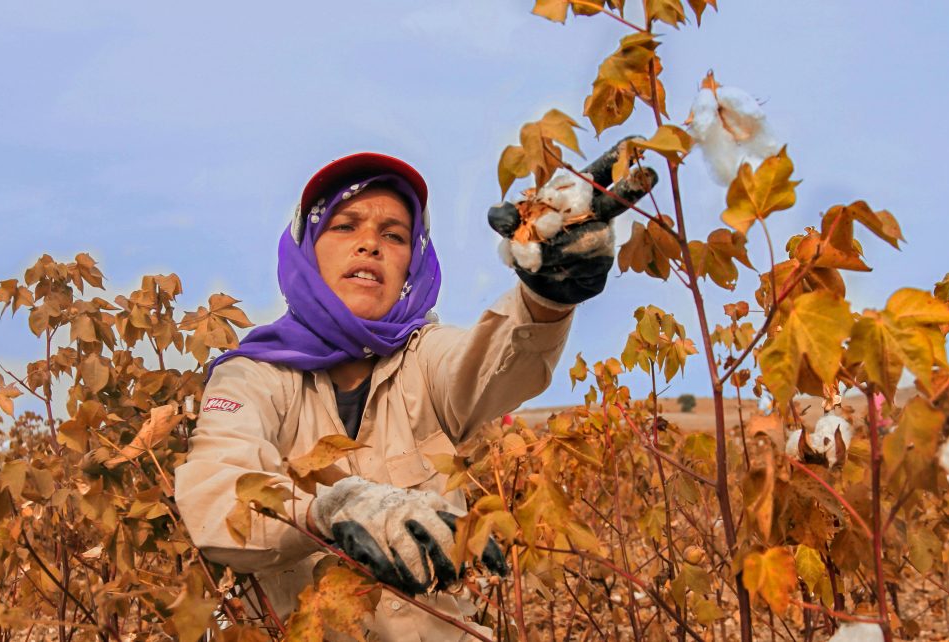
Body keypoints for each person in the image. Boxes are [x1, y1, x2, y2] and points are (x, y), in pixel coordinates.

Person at [173, 146, 654, 640]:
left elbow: (493, 361)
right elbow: (216, 495)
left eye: (394, 235)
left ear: (413, 262)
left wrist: (546, 296)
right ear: (307, 248)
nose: (369, 245)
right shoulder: (253, 376)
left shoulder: (424, 359)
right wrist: (323, 511)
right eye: (344, 226)